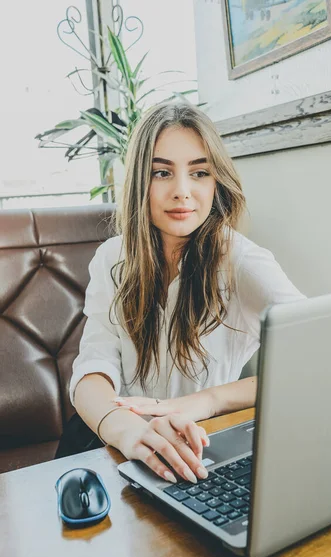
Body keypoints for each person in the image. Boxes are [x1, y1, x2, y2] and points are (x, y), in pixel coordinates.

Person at [63, 101, 305, 485]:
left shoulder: (241, 261)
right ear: (142, 180)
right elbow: (93, 369)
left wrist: (204, 402)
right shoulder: (111, 257)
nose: (182, 191)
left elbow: (313, 359)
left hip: (192, 447)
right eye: (162, 172)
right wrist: (127, 431)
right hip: (109, 440)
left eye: (199, 172)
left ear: (216, 181)